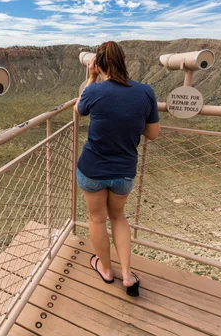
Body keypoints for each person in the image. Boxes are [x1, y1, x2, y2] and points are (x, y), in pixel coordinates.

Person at [74, 41, 160, 297]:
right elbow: (153, 134)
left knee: (97, 219)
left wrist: (90, 78)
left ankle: (106, 269)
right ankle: (126, 273)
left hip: (92, 170)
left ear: (98, 65)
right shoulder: (146, 92)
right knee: (119, 218)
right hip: (124, 172)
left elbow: (79, 109)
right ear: (124, 63)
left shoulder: (95, 91)